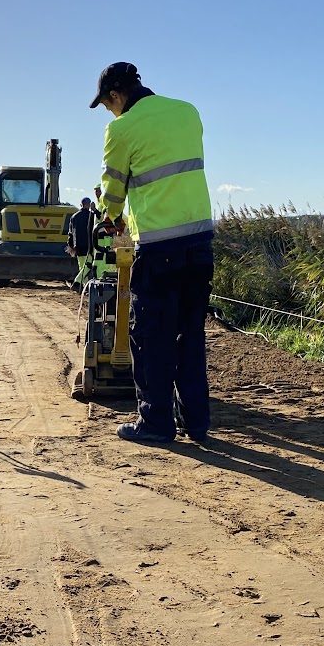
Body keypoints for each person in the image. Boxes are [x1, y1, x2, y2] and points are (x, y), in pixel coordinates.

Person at [90, 62, 214, 444]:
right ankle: (196, 422)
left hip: (160, 250)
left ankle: (156, 423)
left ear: (116, 95)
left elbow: (112, 190)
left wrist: (109, 219)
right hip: (200, 244)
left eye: (107, 104)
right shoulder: (187, 111)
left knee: (152, 339)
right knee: (190, 336)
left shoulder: (121, 128)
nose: (108, 112)